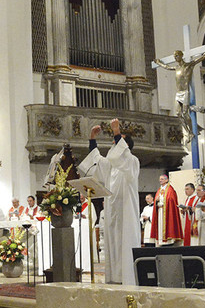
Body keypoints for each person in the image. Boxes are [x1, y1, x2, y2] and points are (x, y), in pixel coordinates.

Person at [78, 118, 141, 285]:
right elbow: (97, 160)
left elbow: (123, 156)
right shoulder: (111, 167)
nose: (113, 146)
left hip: (126, 212)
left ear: (125, 148)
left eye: (116, 143)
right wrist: (92, 138)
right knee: (113, 243)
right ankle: (114, 277)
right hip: (113, 212)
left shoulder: (132, 162)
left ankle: (128, 277)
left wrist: (116, 131)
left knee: (125, 242)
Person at [150, 174, 182, 245]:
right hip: (160, 211)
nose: (160, 180)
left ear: (166, 180)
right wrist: (156, 201)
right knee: (160, 226)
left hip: (167, 211)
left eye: (162, 179)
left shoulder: (170, 190)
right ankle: (161, 241)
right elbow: (156, 200)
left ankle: (168, 241)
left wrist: (163, 200)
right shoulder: (159, 189)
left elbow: (171, 200)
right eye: (160, 179)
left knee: (168, 224)